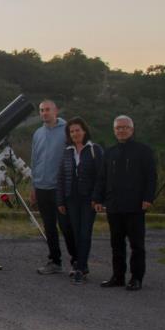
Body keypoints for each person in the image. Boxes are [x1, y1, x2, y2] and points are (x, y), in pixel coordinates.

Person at [93, 115, 157, 291]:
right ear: (114, 131)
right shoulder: (110, 152)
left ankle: (136, 278)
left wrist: (148, 198)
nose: (121, 130)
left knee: (137, 245)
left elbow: (151, 177)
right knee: (116, 244)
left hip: (135, 205)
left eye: (125, 127)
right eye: (118, 128)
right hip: (114, 205)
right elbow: (102, 178)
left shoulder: (143, 151)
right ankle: (118, 276)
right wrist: (97, 198)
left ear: (132, 129)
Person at [55, 118, 103, 284]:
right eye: (72, 131)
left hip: (88, 199)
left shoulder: (94, 150)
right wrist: (60, 200)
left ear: (84, 131)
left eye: (78, 130)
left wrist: (97, 198)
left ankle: (80, 269)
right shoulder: (67, 151)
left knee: (85, 233)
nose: (75, 133)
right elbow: (61, 177)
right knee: (75, 233)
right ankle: (81, 264)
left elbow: (101, 177)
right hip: (71, 199)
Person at [31, 100, 75, 275]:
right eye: (41, 110)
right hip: (41, 186)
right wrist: (33, 185)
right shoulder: (37, 133)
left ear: (55, 110)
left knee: (66, 226)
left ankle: (76, 262)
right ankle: (55, 261)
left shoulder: (67, 131)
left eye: (47, 110)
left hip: (60, 187)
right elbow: (34, 160)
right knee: (49, 227)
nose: (44, 113)